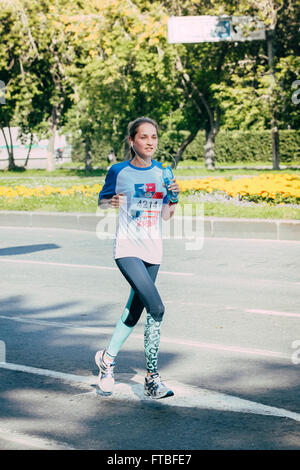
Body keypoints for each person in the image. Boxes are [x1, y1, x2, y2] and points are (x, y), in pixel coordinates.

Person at [95, 116, 180, 399]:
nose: (150, 142)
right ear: (132, 141)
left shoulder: (163, 173)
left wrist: (174, 198)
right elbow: (102, 200)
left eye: (154, 137)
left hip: (153, 250)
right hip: (127, 249)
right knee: (156, 308)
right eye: (144, 137)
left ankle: (106, 360)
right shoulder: (119, 171)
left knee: (135, 310)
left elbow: (166, 216)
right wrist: (112, 201)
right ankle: (152, 380)